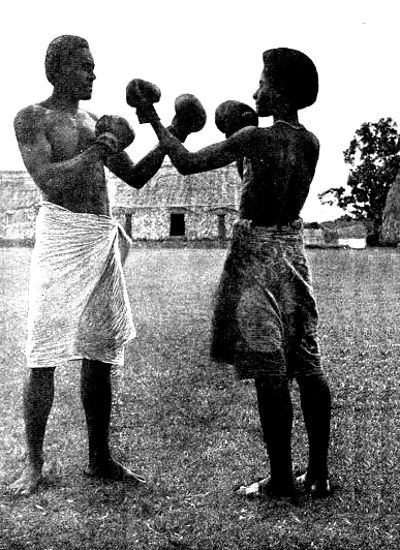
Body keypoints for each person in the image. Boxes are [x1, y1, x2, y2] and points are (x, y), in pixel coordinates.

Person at [134, 47, 332, 499]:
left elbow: (184, 162)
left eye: (261, 83)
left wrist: (154, 120)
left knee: (270, 368)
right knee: (307, 362)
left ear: (279, 92)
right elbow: (265, 182)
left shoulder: (255, 139)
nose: (255, 90)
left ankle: (281, 479)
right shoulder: (310, 142)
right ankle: (318, 473)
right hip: (293, 251)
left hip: (256, 253)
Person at [10, 35, 201, 496]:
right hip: (61, 236)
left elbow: (134, 176)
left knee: (100, 351)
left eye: (94, 67)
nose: (93, 74)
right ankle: (34, 462)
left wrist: (174, 130)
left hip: (101, 237)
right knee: (44, 353)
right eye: (84, 67)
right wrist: (100, 148)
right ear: (56, 69)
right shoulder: (32, 117)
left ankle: (100, 458)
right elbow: (47, 179)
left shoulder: (94, 120)